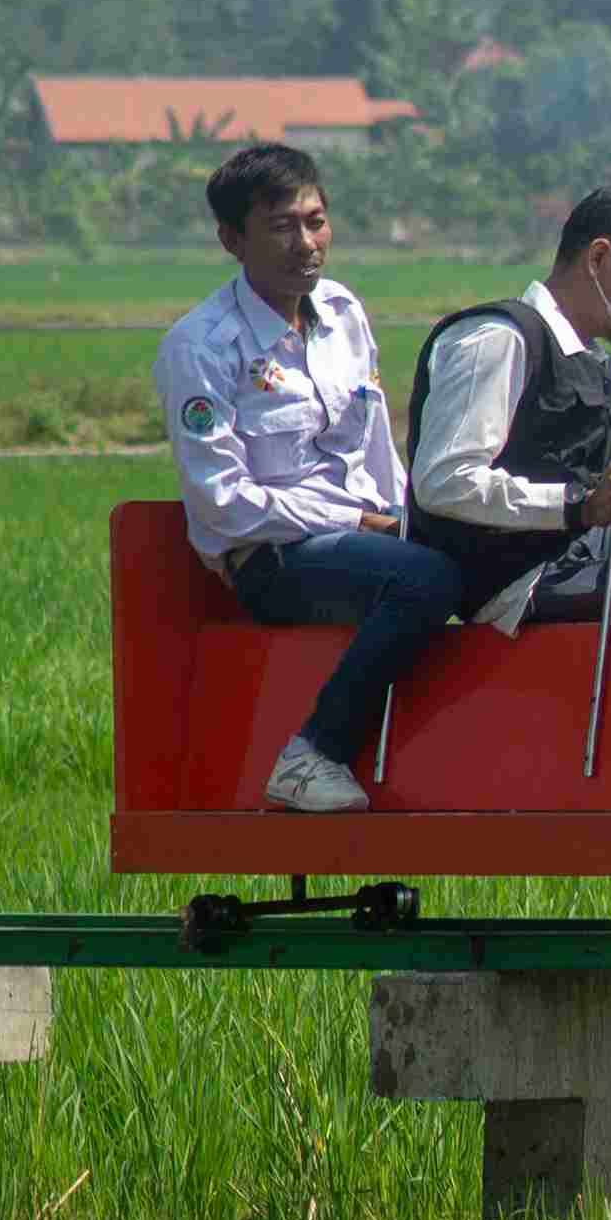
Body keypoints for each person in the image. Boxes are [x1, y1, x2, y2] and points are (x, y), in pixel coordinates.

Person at [151, 142, 456, 815]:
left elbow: (374, 446)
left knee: (485, 550)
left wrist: (416, 518)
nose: (306, 243)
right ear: (232, 240)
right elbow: (223, 502)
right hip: (274, 560)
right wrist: (360, 522)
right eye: (281, 227)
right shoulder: (202, 346)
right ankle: (312, 754)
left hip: (369, 540)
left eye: (315, 221)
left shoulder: (343, 312)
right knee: (425, 580)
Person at [405, 185, 611, 636]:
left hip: (585, 554)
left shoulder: (601, 369)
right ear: (599, 259)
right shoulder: (498, 339)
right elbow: (444, 481)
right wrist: (575, 506)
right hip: (519, 582)